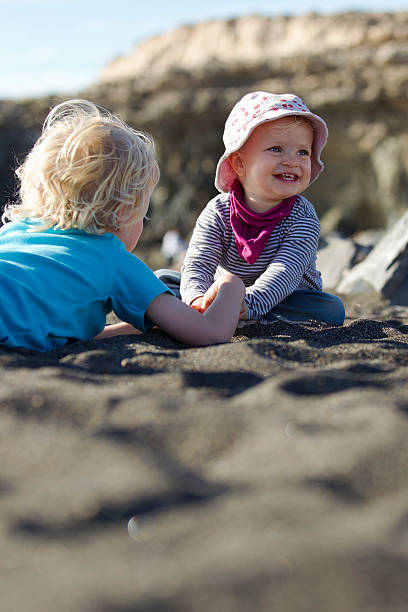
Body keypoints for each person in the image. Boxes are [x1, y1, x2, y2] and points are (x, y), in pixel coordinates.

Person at [0, 99, 244, 351]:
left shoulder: (14, 232)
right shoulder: (110, 258)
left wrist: (153, 324)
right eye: (143, 215)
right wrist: (232, 286)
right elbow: (211, 334)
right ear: (123, 213)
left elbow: (45, 327)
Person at [156, 92, 345, 326]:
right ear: (239, 163)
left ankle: (249, 318)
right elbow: (199, 263)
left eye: (303, 152)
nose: (292, 161)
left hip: (284, 298)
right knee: (160, 280)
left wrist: (250, 305)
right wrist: (196, 300)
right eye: (276, 149)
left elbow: (284, 271)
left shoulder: (303, 217)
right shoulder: (218, 212)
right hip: (220, 297)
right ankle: (205, 312)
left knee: (330, 309)